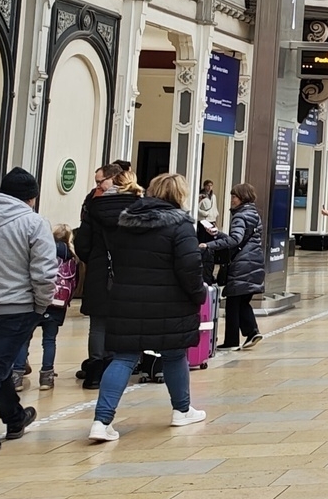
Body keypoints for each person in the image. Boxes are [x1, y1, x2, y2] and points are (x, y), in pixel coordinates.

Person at [88, 172, 208, 442]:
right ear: (179, 195)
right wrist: (198, 294)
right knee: (174, 355)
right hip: (170, 303)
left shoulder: (126, 223)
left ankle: (101, 421)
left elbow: (118, 259)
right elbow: (190, 267)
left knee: (123, 358)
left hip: (126, 300)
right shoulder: (181, 226)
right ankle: (182, 410)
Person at [0, 169, 56, 454]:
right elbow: (45, 272)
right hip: (15, 307)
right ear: (31, 197)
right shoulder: (33, 222)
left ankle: (14, 417)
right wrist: (41, 304)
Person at [75, 166, 142, 389]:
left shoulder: (94, 207)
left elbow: (82, 243)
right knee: (122, 322)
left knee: (98, 324)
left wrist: (94, 259)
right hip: (128, 271)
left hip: (99, 270)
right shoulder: (138, 207)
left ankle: (95, 370)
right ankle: (117, 368)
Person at [12, 224, 77, 390]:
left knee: (24, 339)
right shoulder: (72, 257)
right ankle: (46, 377)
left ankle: (17, 376)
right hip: (57, 304)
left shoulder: (40, 252)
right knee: (49, 341)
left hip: (35, 301)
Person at [201, 184, 263, 350]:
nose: (232, 200)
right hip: (254, 260)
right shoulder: (254, 214)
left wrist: (210, 245)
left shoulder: (240, 216)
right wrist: (219, 234)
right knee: (242, 301)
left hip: (241, 263)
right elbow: (242, 238)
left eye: (234, 196)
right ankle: (251, 332)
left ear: (241, 197)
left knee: (234, 303)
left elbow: (235, 240)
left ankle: (233, 340)